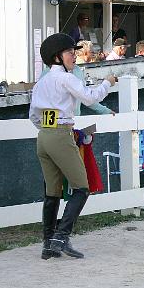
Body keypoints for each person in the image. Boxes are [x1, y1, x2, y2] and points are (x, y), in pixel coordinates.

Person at [30, 33, 116, 259]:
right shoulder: (66, 79)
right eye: (70, 52)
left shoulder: (42, 83)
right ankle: (61, 237)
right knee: (81, 187)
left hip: (44, 138)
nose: (74, 56)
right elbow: (89, 97)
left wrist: (50, 129)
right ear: (57, 56)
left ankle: (48, 242)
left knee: (52, 192)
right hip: (60, 136)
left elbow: (34, 117)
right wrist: (108, 82)